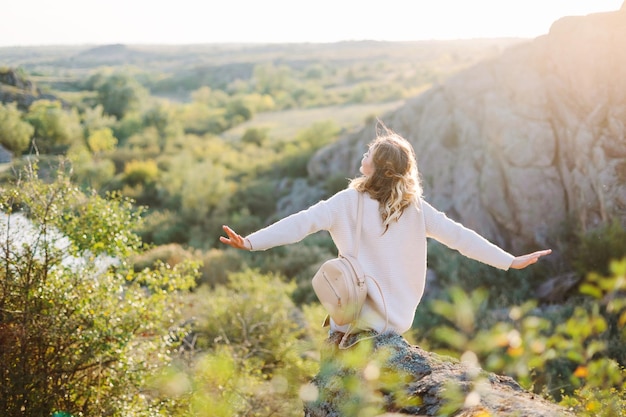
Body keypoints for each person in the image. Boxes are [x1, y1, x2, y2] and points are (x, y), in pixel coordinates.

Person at [220, 125, 551, 338]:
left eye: (369, 153)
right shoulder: (417, 208)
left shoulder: (348, 201)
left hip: (351, 318)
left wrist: (252, 242)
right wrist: (509, 261)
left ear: (379, 168)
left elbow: (301, 223)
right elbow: (461, 238)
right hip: (394, 324)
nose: (363, 156)